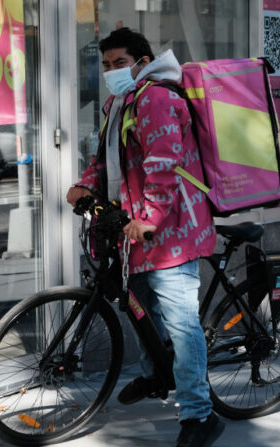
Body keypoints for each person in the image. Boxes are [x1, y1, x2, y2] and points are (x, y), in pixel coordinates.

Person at [66, 28, 223, 447]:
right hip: (136, 231)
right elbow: (107, 158)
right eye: (106, 65)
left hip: (173, 231)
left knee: (181, 322)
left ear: (142, 60)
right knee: (137, 305)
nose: (111, 71)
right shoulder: (121, 101)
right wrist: (84, 186)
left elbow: (163, 163)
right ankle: (159, 372)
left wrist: (150, 216)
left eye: (119, 63)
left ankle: (199, 415)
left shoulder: (155, 98)